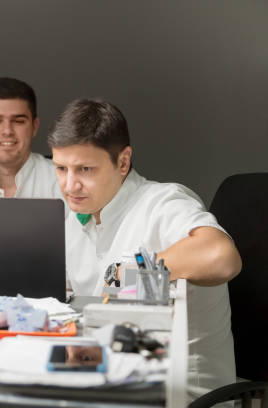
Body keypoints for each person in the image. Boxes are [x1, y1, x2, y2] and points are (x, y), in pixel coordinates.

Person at [47, 98, 241, 398]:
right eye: (61, 168)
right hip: (113, 378)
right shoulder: (74, 220)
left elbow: (222, 257)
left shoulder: (163, 203)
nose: (70, 185)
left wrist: (129, 275)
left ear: (123, 162)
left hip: (183, 393)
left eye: (85, 169)